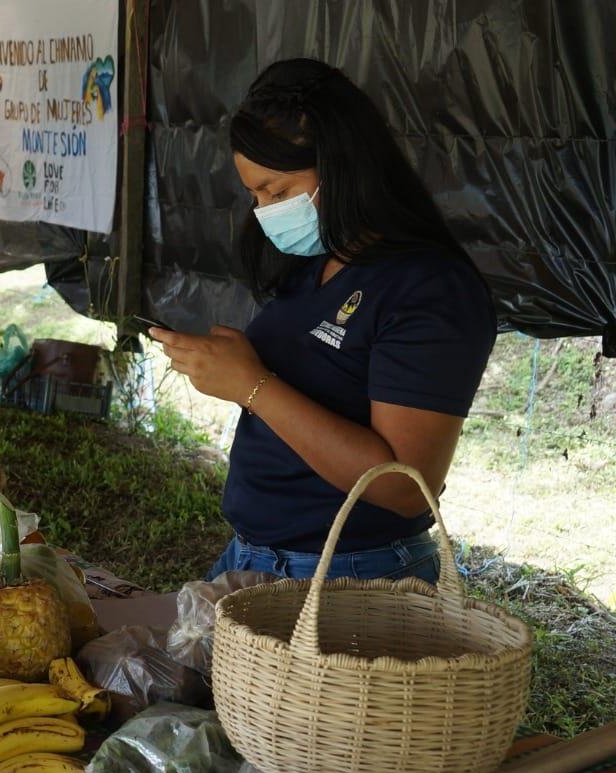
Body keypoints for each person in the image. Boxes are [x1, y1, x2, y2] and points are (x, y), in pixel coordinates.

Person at [151, 58, 496, 585]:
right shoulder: (318, 259)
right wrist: (229, 364)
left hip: (347, 576)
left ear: (341, 166)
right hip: (257, 557)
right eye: (254, 195)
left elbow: (406, 486)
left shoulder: (430, 288)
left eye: (278, 191)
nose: (264, 211)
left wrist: (251, 384)